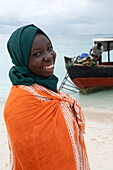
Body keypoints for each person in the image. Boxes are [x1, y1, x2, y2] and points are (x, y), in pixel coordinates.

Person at [4, 24, 90, 170]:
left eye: (49, 48)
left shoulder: (49, 91)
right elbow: (34, 159)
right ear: (22, 59)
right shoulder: (20, 106)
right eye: (37, 54)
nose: (49, 57)